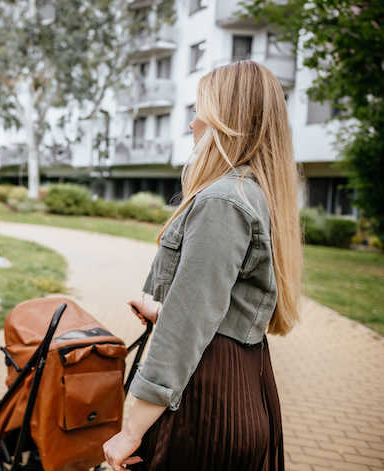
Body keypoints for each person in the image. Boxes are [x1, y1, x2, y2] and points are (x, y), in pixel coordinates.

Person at [102, 60, 304, 471]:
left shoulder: (223, 202)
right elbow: (223, 302)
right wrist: (164, 308)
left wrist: (130, 431)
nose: (192, 124)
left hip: (205, 400)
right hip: (243, 382)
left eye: (200, 110)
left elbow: (183, 332)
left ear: (225, 122)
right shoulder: (255, 194)